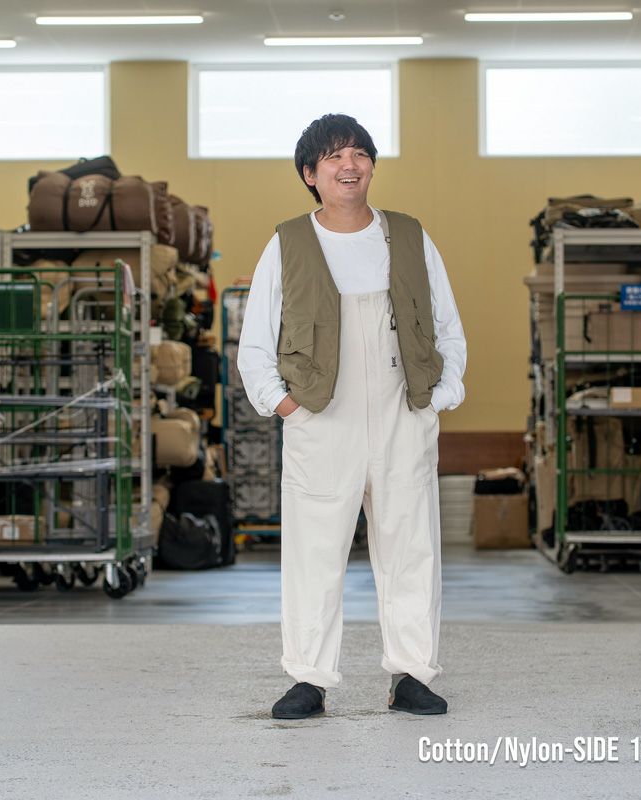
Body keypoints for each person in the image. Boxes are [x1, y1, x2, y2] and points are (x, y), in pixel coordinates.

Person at [238, 114, 466, 719]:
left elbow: (447, 324)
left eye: (360, 153)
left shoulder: (410, 235)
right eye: (334, 156)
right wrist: (286, 407)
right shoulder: (287, 243)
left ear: (371, 166)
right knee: (313, 550)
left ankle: (411, 675)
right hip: (321, 416)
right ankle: (308, 680)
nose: (349, 165)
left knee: (411, 546)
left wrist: (440, 397)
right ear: (309, 174)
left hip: (403, 411)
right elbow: (255, 344)